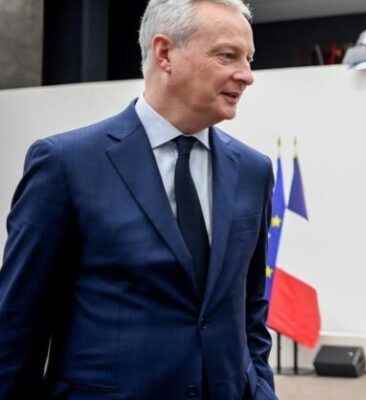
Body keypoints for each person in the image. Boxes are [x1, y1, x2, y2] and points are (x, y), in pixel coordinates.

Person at [0, 1, 277, 398]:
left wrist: (262, 390)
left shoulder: (253, 171)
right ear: (165, 53)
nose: (246, 75)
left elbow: (249, 311)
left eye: (248, 58)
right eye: (227, 55)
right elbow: (17, 326)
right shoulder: (66, 165)